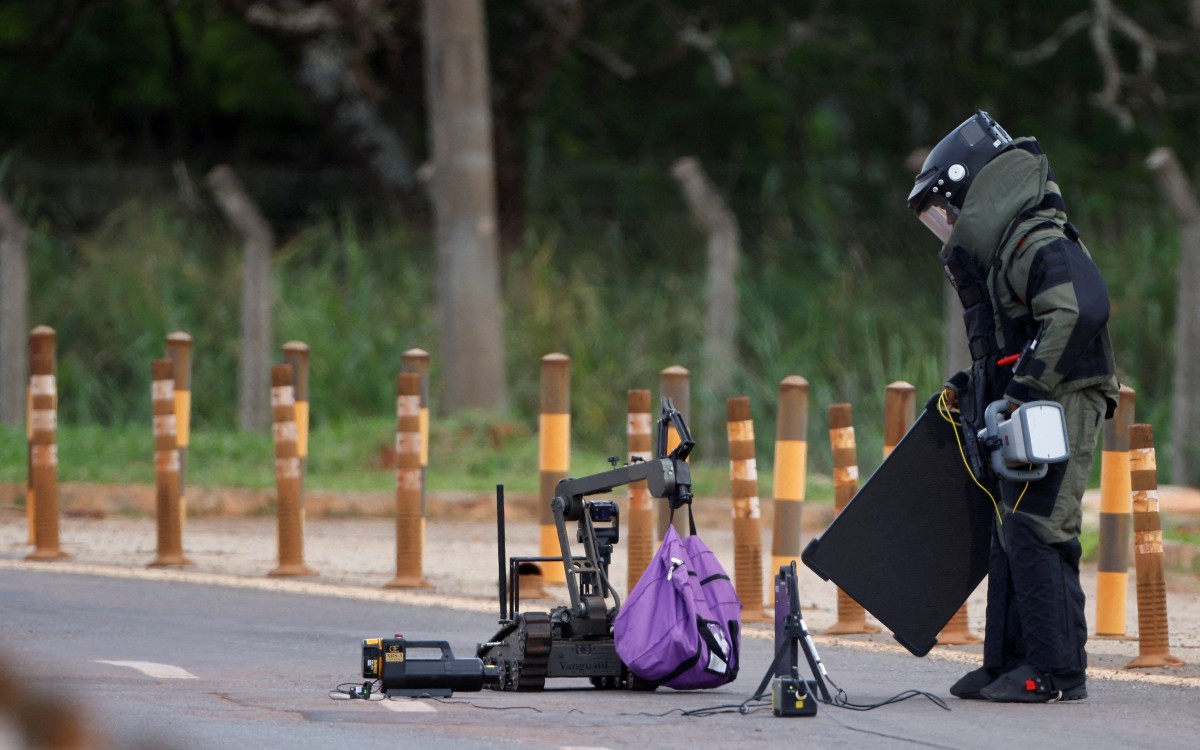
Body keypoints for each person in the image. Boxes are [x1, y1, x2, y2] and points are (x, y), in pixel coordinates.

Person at [907, 111, 1120, 703]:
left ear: (972, 188)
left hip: (1065, 396)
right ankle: (1007, 663)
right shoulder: (1009, 243)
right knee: (1011, 528)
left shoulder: (1035, 238)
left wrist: (1023, 390)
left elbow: (1078, 310)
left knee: (1038, 527)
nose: (944, 225)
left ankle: (1055, 674)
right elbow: (1017, 337)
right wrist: (971, 385)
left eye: (944, 209)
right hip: (1039, 400)